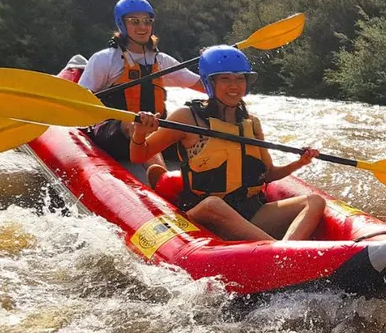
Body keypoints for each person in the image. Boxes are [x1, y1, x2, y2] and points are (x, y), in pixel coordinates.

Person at [129, 45, 326, 241]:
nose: (234, 86)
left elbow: (269, 174)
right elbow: (139, 155)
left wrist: (299, 163)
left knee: (315, 201)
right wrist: (139, 133)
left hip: (250, 213)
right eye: (225, 79)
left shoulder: (251, 122)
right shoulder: (187, 118)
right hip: (205, 216)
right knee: (213, 204)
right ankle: (278, 251)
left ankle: (283, 251)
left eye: (240, 79)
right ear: (209, 82)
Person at [79, 0, 205, 167]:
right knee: (138, 123)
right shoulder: (105, 59)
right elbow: (82, 98)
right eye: (134, 21)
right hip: (114, 133)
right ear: (122, 24)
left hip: (155, 131)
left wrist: (213, 67)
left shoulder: (162, 61)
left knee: (188, 120)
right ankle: (159, 175)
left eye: (147, 21)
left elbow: (205, 87)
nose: (143, 27)